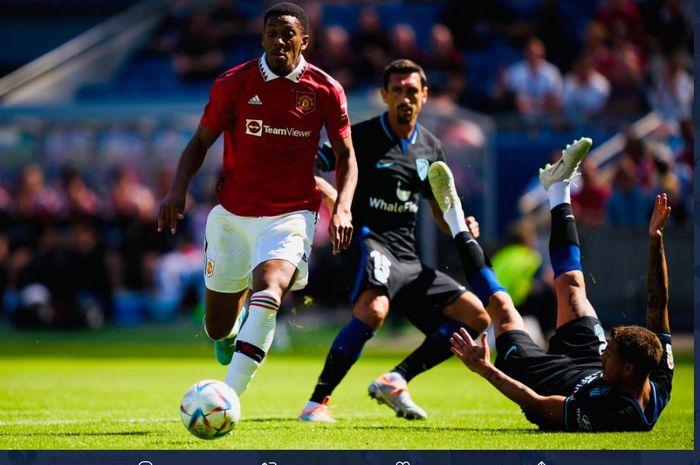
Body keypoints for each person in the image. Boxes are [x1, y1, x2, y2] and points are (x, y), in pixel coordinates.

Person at [157, 2, 357, 398]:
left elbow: (347, 155)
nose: (279, 41)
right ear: (262, 37)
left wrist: (343, 207)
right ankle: (230, 332)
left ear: (304, 40)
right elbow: (199, 143)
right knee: (217, 326)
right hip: (233, 215)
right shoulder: (234, 83)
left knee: (270, 290)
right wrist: (177, 188)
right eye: (271, 33)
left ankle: (228, 396)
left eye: (287, 33)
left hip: (290, 215)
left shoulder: (325, 89)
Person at [298, 59, 490, 422]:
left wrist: (461, 226)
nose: (405, 97)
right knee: (373, 311)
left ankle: (396, 378)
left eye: (412, 91)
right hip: (370, 242)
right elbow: (307, 165)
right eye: (397, 90)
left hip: (409, 258)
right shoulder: (363, 136)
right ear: (384, 95)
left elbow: (440, 214)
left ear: (425, 96)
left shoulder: (431, 148)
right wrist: (329, 195)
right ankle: (316, 403)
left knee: (476, 316)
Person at [437, 137, 673, 431]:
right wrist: (655, 240)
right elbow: (658, 304)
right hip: (584, 364)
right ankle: (559, 187)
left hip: (545, 380)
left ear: (628, 369)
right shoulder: (658, 373)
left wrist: (484, 369)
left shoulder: (611, 413)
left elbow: (536, 402)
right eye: (607, 347)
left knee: (503, 308)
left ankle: (454, 217)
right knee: (573, 286)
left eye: (609, 352)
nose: (603, 352)